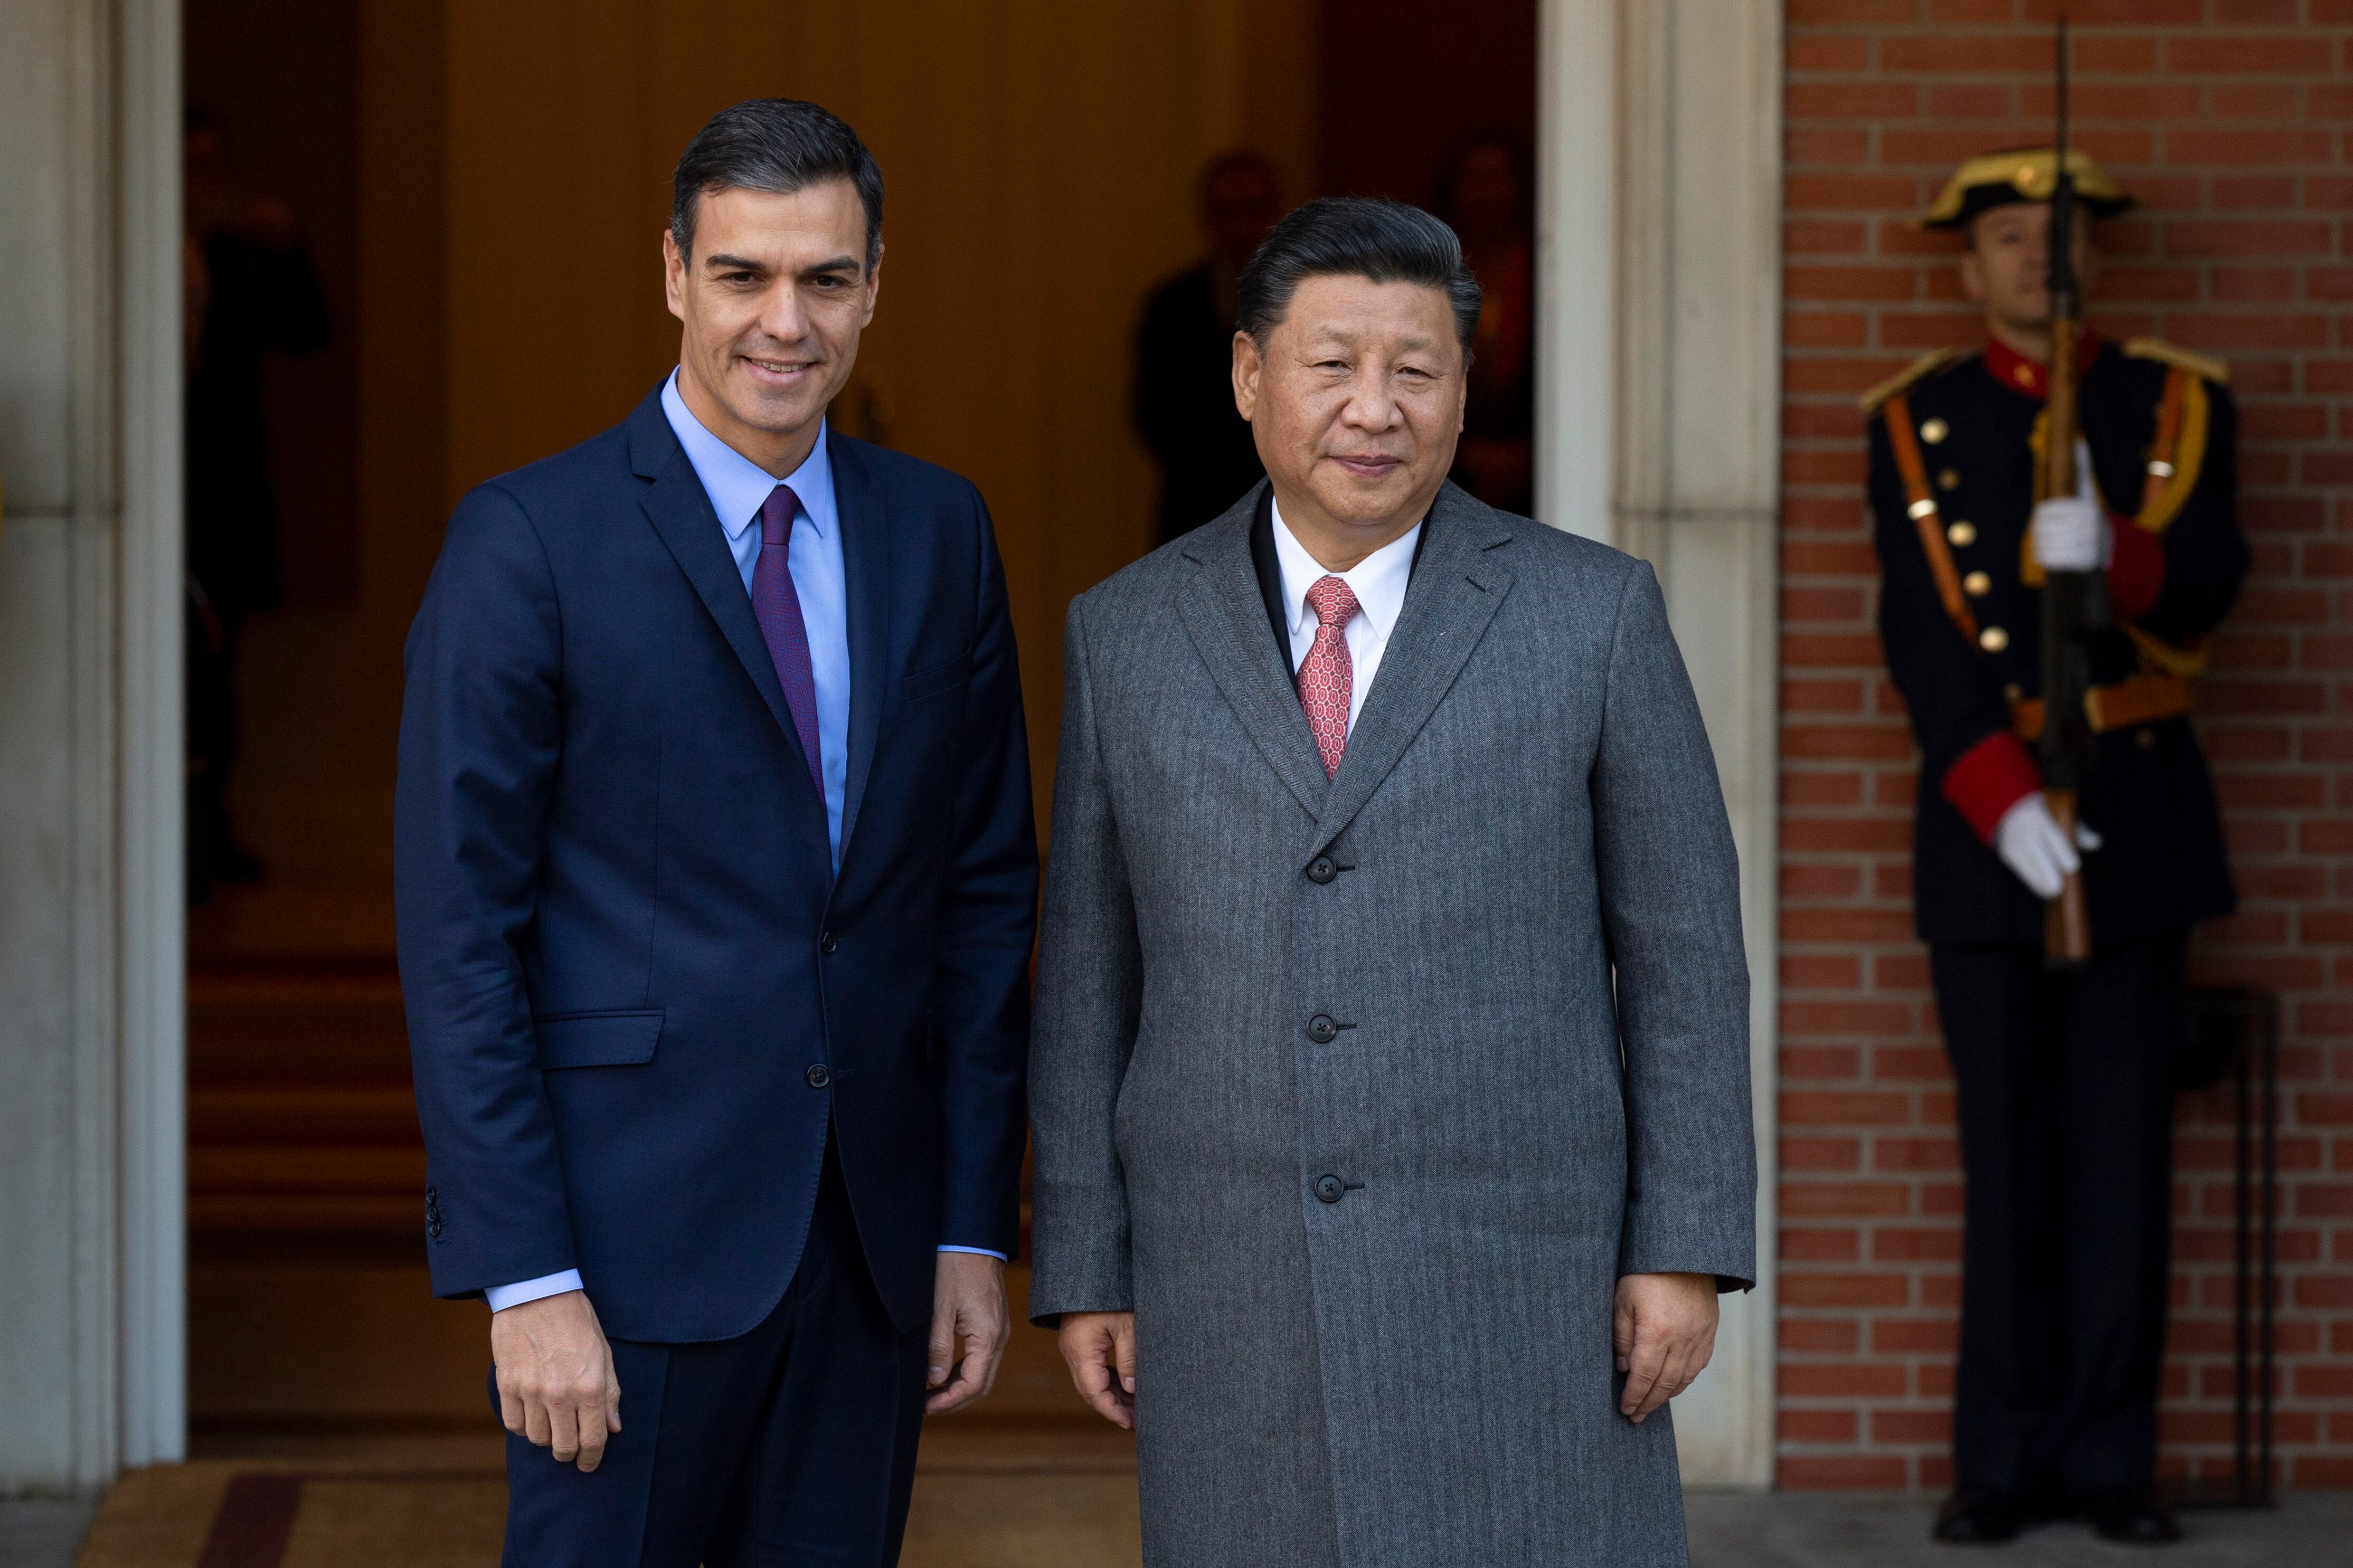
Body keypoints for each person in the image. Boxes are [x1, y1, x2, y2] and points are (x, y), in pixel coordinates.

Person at [1030, 197, 1755, 1567]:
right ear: (1248, 376)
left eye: (1415, 370)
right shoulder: (1126, 630)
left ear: (1464, 388)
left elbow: (1683, 951)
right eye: (1332, 364)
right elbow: (1088, 974)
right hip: (1226, 1274)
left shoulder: (1589, 613)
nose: (1375, 407)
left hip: (1524, 1286)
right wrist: (1084, 1262)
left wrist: (1686, 1243)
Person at [395, 99, 1037, 1565]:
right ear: (674, 275)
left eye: (824, 278)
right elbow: (459, 926)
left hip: (870, 1249)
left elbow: (987, 894)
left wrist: (965, 1226)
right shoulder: (530, 540)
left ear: (875, 287)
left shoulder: (940, 531)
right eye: (743, 274)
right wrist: (525, 1275)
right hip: (620, 1252)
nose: (784, 321)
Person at [1863, 148, 2247, 1547]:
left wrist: (2124, 554)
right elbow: (1918, 630)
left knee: (2121, 1160)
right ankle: (2004, 1459)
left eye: (2062, 235)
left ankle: (2109, 1461)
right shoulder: (1916, 422)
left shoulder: (2175, 402)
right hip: (1991, 835)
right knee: (2007, 1157)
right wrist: (2000, 792)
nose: (2041, 256)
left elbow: (2217, 580)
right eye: (2013, 237)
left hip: (2137, 813)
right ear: (1970, 268)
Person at [183, 104, 330, 896]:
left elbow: (307, 331)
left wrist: (286, 247)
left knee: (216, 662)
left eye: (211, 166)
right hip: (155, 477)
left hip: (222, 482)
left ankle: (208, 834)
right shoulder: (129, 243)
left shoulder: (237, 249)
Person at [1134, 150, 1284, 544]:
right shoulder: (1171, 304)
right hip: (1193, 505)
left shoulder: (1302, 302)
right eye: (1226, 212)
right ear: (1207, 217)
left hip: (1284, 503)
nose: (1241, 227)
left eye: (1251, 210)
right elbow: (1150, 412)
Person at [1435, 134, 1535, 514]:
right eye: (1473, 179)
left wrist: (1526, 452)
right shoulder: (1431, 275)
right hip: (1448, 462)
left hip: (1536, 463)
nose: (1485, 193)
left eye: (1497, 178)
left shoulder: (1548, 271)